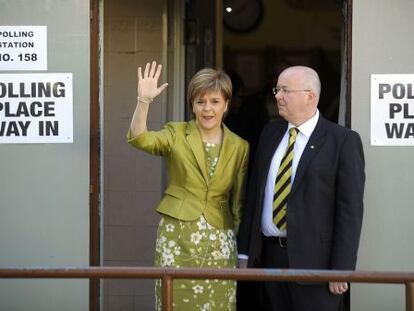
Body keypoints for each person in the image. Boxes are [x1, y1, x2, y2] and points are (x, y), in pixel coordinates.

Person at [237, 66, 365, 311]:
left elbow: (350, 212)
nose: (277, 96)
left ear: (310, 96)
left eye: (285, 90)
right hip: (268, 259)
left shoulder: (343, 141)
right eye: (277, 89)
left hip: (317, 264)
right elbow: (254, 196)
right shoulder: (270, 132)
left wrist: (341, 269)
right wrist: (244, 253)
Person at [127, 61, 249, 310]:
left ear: (226, 105)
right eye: (200, 102)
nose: (207, 109)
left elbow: (239, 204)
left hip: (220, 242)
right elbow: (139, 139)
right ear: (192, 105)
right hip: (177, 238)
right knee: (176, 302)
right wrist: (144, 101)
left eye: (215, 101)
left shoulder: (240, 146)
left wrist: (241, 251)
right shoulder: (176, 133)